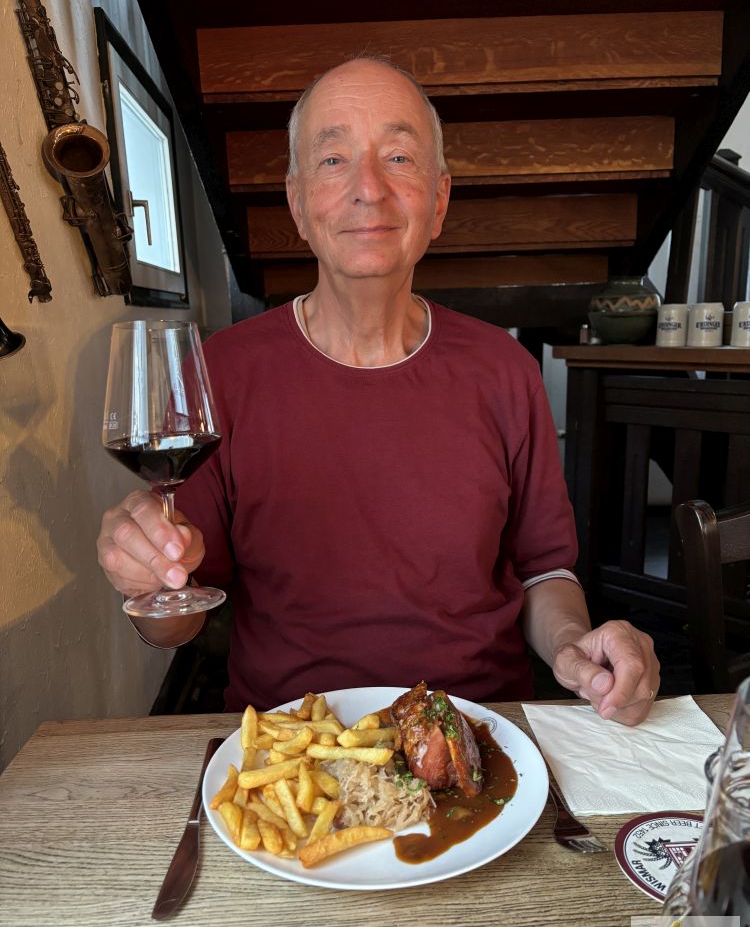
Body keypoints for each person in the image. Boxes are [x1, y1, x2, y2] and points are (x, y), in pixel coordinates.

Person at [97, 56, 659, 725]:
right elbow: (180, 618)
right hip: (292, 747)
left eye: (398, 158)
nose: (368, 188)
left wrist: (571, 645)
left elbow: (545, 570)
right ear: (297, 203)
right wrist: (145, 579)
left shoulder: (504, 369)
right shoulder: (219, 372)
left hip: (481, 730)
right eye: (333, 161)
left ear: (439, 200)